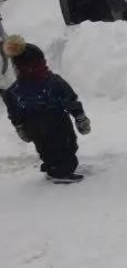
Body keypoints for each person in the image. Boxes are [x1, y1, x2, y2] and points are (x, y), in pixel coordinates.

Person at [1, 36, 90, 183]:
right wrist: (79, 117)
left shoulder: (15, 90)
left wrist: (20, 126)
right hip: (56, 123)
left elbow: (14, 110)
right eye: (40, 63)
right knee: (64, 146)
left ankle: (52, 167)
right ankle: (61, 172)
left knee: (46, 148)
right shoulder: (52, 83)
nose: (44, 65)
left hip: (34, 126)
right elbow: (69, 100)